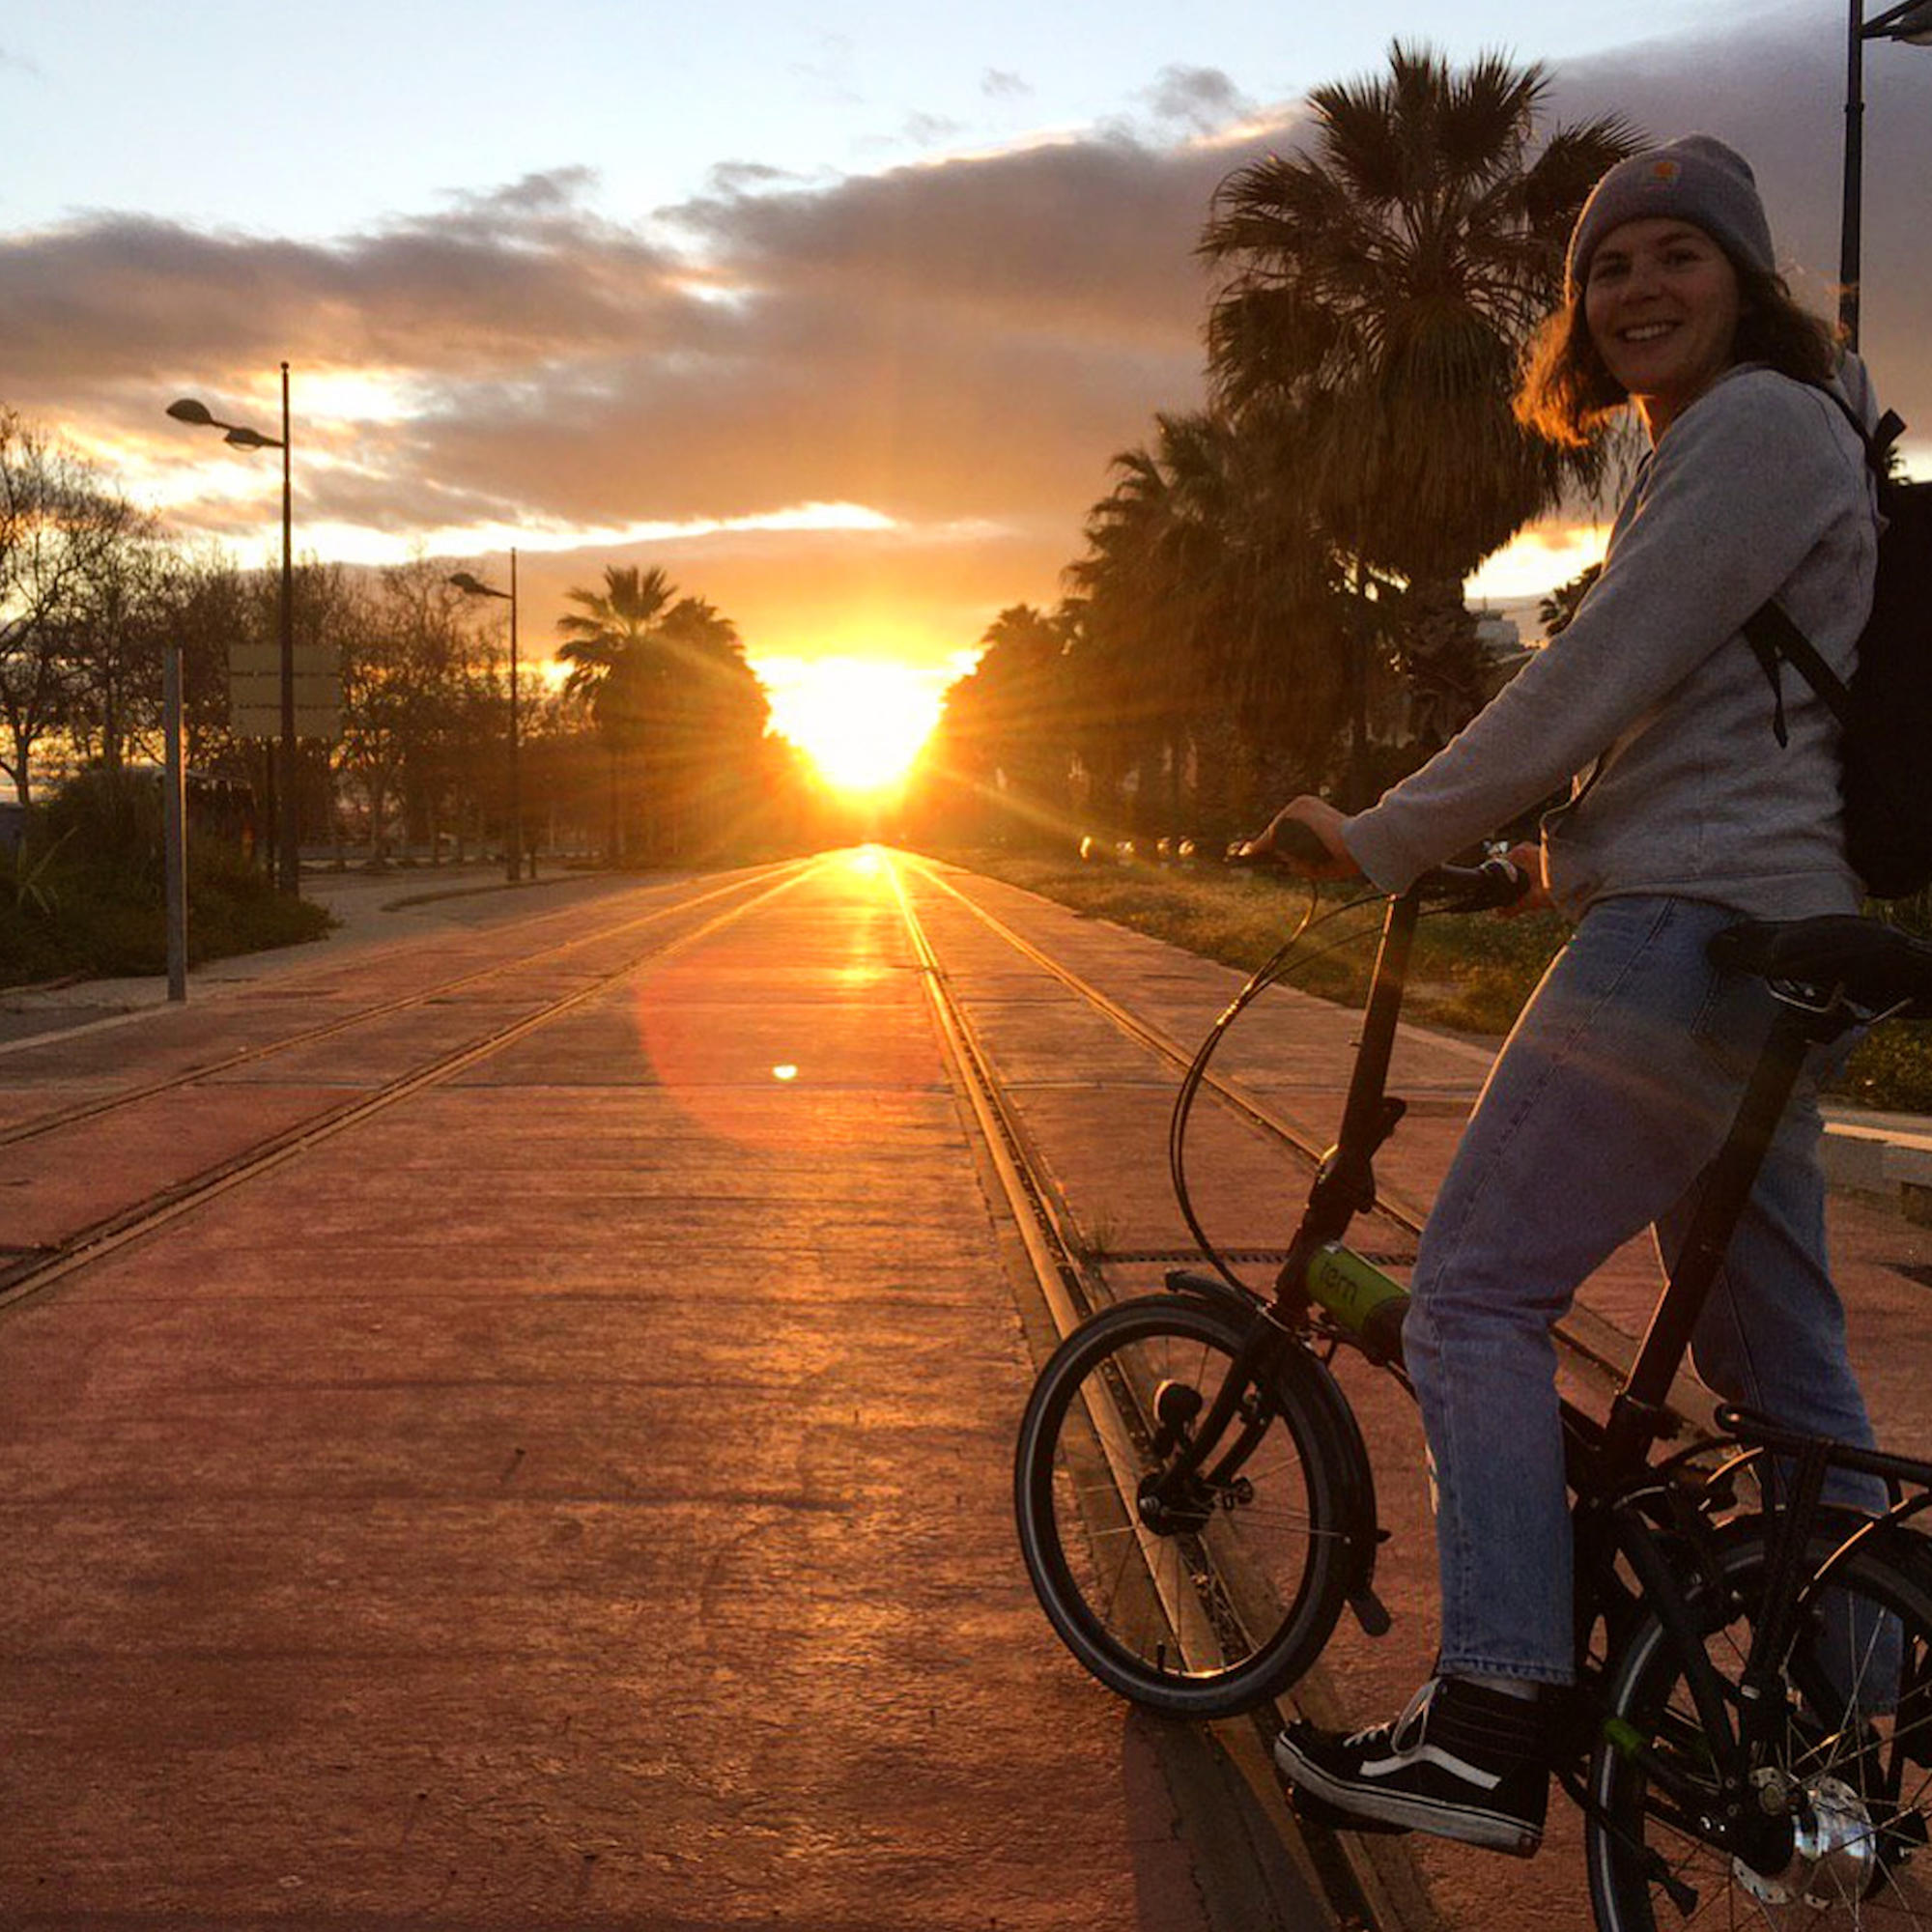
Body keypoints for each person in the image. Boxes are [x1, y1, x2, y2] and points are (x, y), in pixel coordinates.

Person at [1258, 135, 1887, 1857]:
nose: (1638, 291)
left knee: (1468, 1296)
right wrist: (1545, 863)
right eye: (1609, 268)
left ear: (1743, 282)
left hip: (1691, 934)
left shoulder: (1759, 425)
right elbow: (1683, 715)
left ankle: (1490, 1719)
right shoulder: (1723, 449)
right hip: (1745, 922)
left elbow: (1601, 670)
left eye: (1680, 255)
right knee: (1783, 1367)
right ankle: (1844, 1722)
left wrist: (1392, 833)